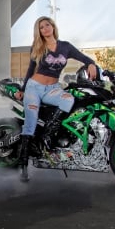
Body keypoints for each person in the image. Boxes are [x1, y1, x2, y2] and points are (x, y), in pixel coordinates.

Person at [14, 16, 97, 182]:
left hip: (52, 89)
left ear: (52, 26)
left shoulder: (65, 47)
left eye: (47, 25)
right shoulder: (38, 47)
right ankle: (23, 165)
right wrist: (22, 89)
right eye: (41, 27)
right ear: (39, 32)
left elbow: (84, 58)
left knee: (69, 100)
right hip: (34, 88)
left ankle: (46, 135)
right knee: (30, 123)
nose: (45, 29)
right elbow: (31, 70)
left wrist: (91, 64)